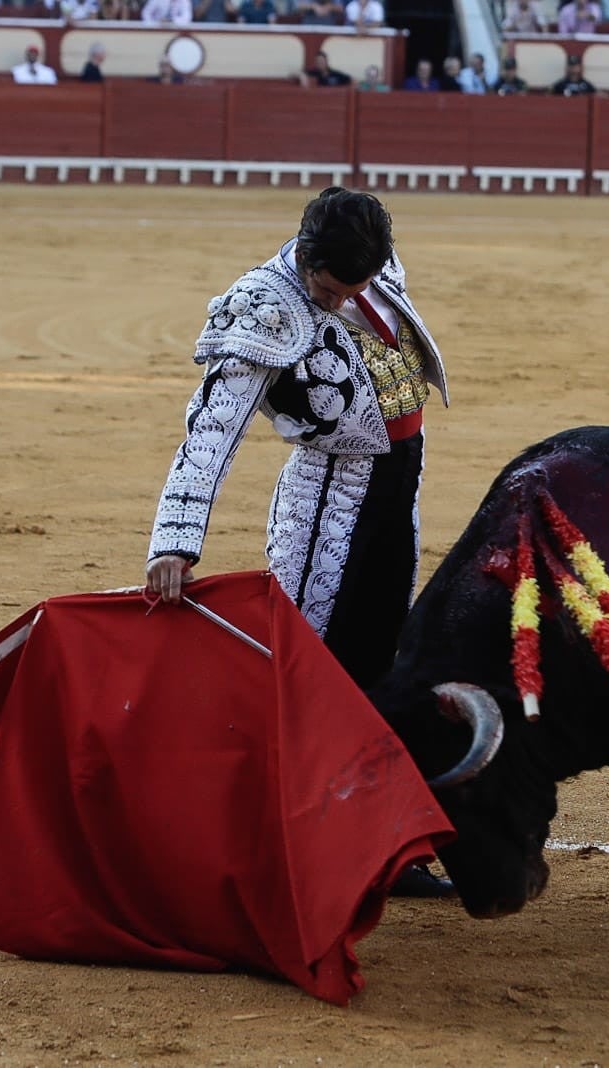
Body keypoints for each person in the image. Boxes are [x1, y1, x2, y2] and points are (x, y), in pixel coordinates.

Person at [144, 189, 454, 900]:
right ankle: (269, 839)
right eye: (330, 287)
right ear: (305, 258)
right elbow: (211, 427)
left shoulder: (370, 265)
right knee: (312, 673)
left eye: (357, 285)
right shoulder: (262, 304)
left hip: (395, 493)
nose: (345, 298)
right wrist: (176, 540)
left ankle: (381, 842)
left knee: (379, 667)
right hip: (328, 508)